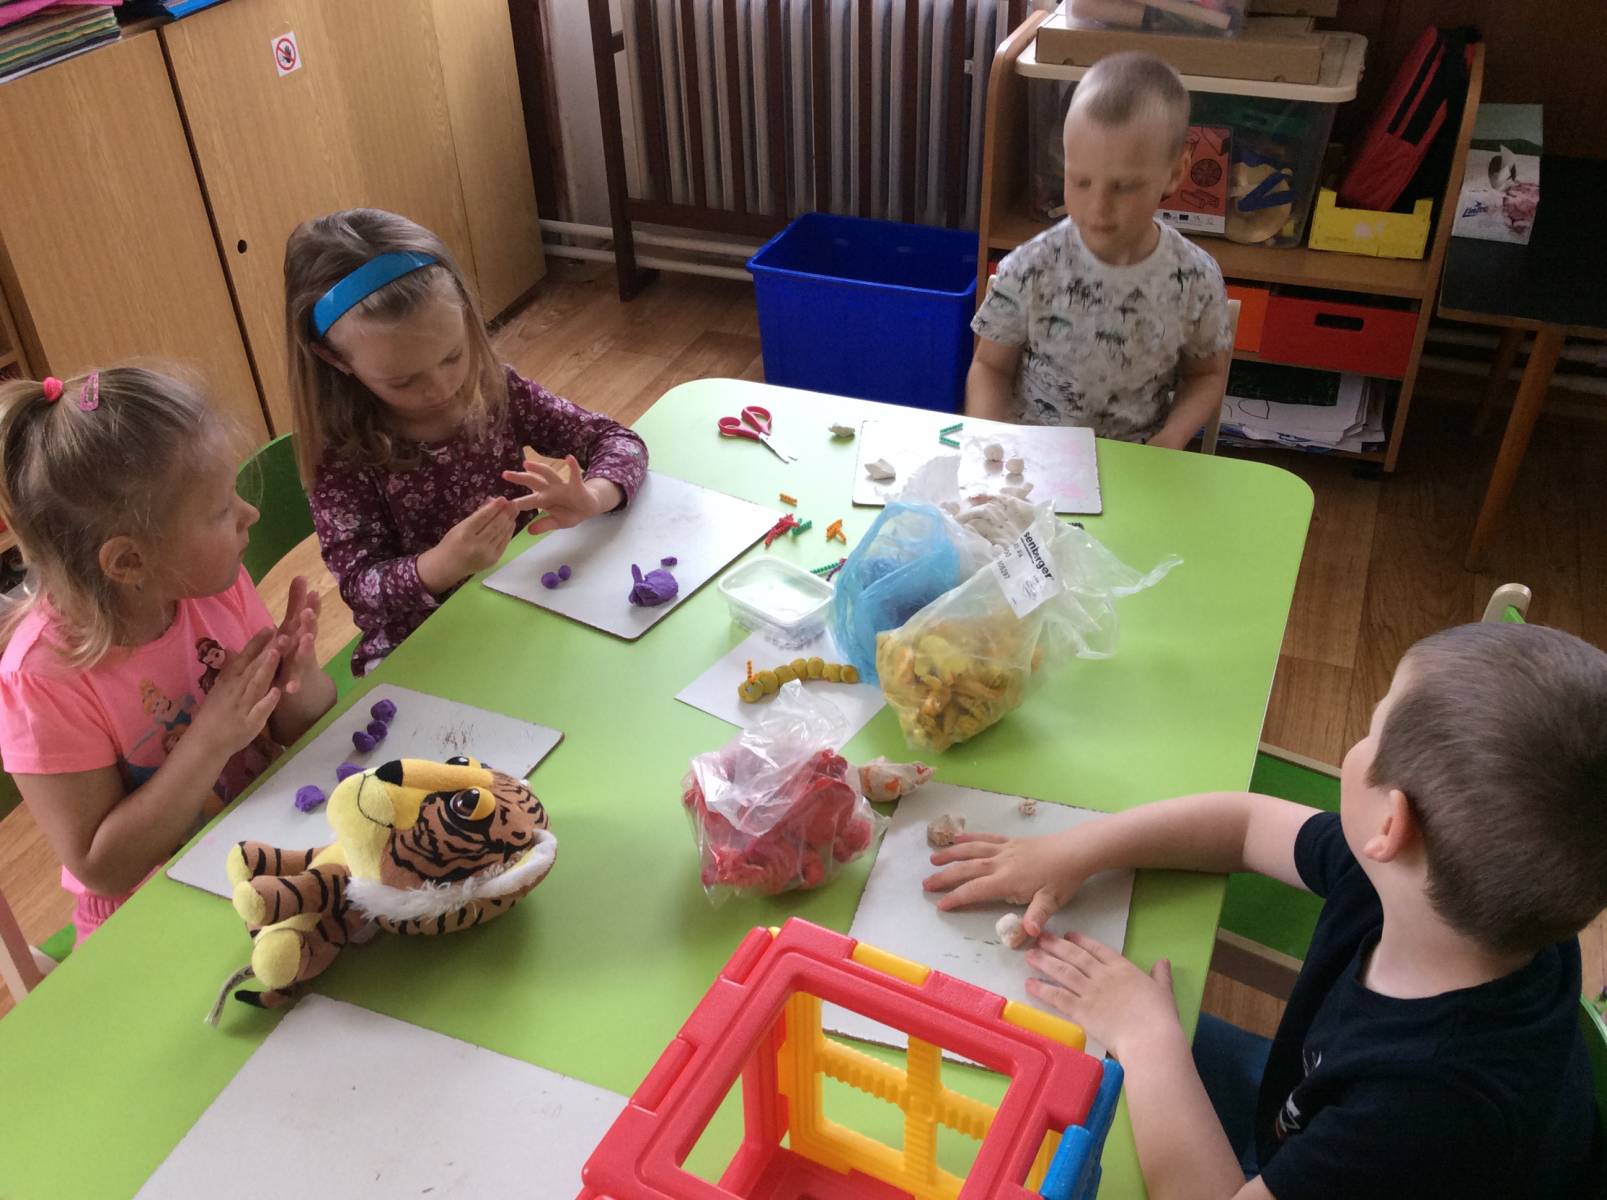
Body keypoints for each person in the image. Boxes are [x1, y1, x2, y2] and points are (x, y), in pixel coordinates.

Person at [925, 622, 1606, 1198]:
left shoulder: (1422, 1111)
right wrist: (1074, 849)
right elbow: (1244, 825)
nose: (1357, 743)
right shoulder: (1458, 898)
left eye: (1371, 728)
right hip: (1309, 1111)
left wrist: (1147, 1038)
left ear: (1391, 824)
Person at [0, 368, 335, 943]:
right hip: (150, 917)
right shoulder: (43, 679)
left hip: (262, 842)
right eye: (220, 511)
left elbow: (295, 728)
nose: (248, 515)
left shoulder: (207, 582)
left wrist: (297, 679)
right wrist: (210, 740)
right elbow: (102, 867)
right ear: (128, 562)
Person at [285, 208, 649, 675]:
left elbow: (617, 440)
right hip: (421, 646)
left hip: (529, 600)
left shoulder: (494, 388)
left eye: (452, 355)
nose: (440, 388)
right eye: (403, 380)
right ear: (335, 359)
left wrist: (593, 496)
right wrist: (441, 565)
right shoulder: (341, 457)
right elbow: (360, 586)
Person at [967, 51, 1232, 449]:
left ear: (1175, 173)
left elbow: (1205, 375)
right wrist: (989, 439)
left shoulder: (1195, 278)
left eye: (1124, 187)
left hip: (1136, 461)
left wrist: (1174, 435)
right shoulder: (1031, 266)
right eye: (1080, 181)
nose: (1098, 208)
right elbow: (990, 366)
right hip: (1036, 457)